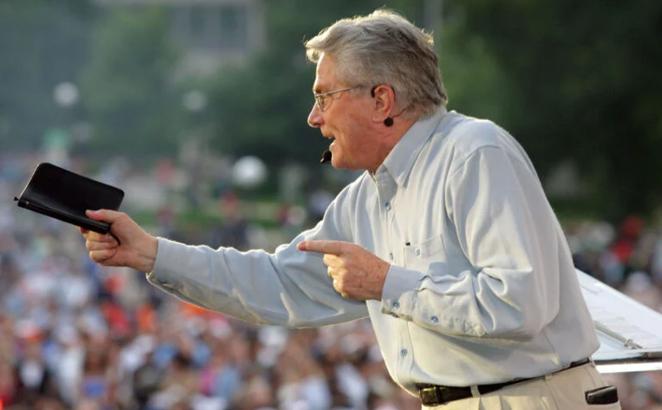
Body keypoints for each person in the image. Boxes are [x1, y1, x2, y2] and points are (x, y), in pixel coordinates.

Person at [81, 9, 620, 409]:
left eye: (323, 96)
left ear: (381, 101)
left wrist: (387, 282)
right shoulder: (364, 198)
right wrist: (153, 254)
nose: (314, 118)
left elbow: (519, 303)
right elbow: (277, 283)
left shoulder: (474, 152)